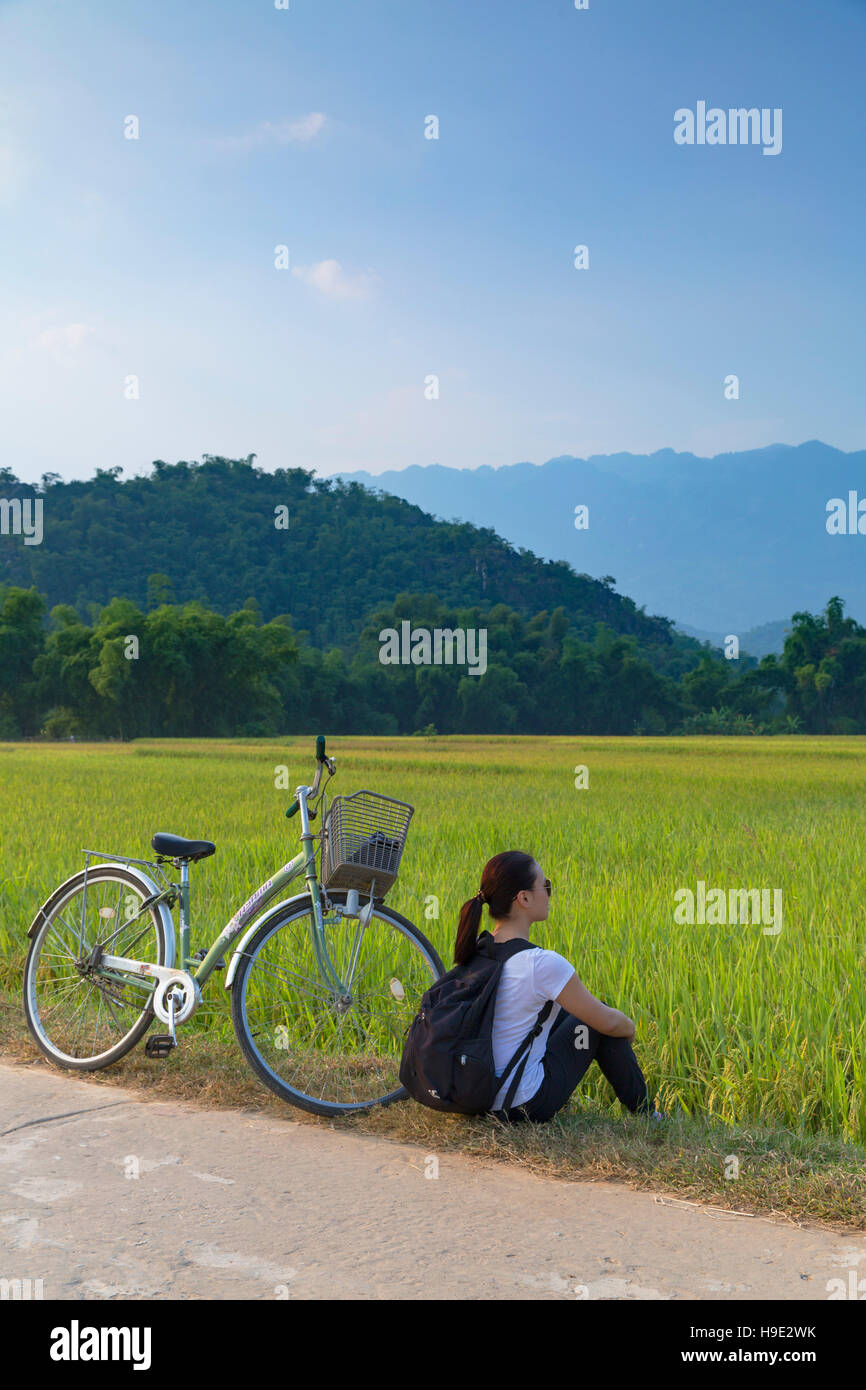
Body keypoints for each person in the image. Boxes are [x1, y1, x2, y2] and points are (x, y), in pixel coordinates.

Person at [455, 850, 662, 1123]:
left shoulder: (478, 950)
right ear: (524, 898)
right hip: (522, 1105)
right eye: (546, 886)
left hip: (474, 1096)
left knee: (564, 1011)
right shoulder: (542, 964)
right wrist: (629, 1028)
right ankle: (648, 1115)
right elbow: (608, 1023)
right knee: (599, 1023)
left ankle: (646, 1113)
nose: (549, 893)